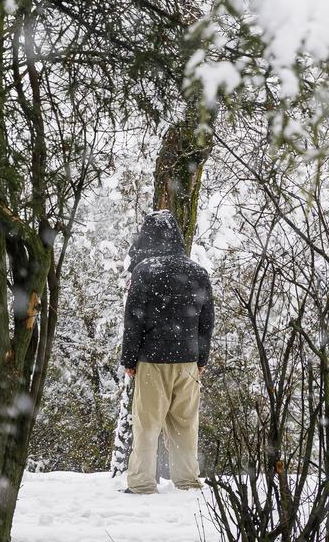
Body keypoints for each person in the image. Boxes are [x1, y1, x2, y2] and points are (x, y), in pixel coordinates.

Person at [120, 210, 215, 494]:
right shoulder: (198, 273)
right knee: (185, 425)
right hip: (188, 361)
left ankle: (141, 483)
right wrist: (202, 359)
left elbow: (133, 319)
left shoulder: (145, 272)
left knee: (147, 425)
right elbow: (207, 320)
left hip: (152, 360)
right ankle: (187, 481)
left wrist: (129, 359)